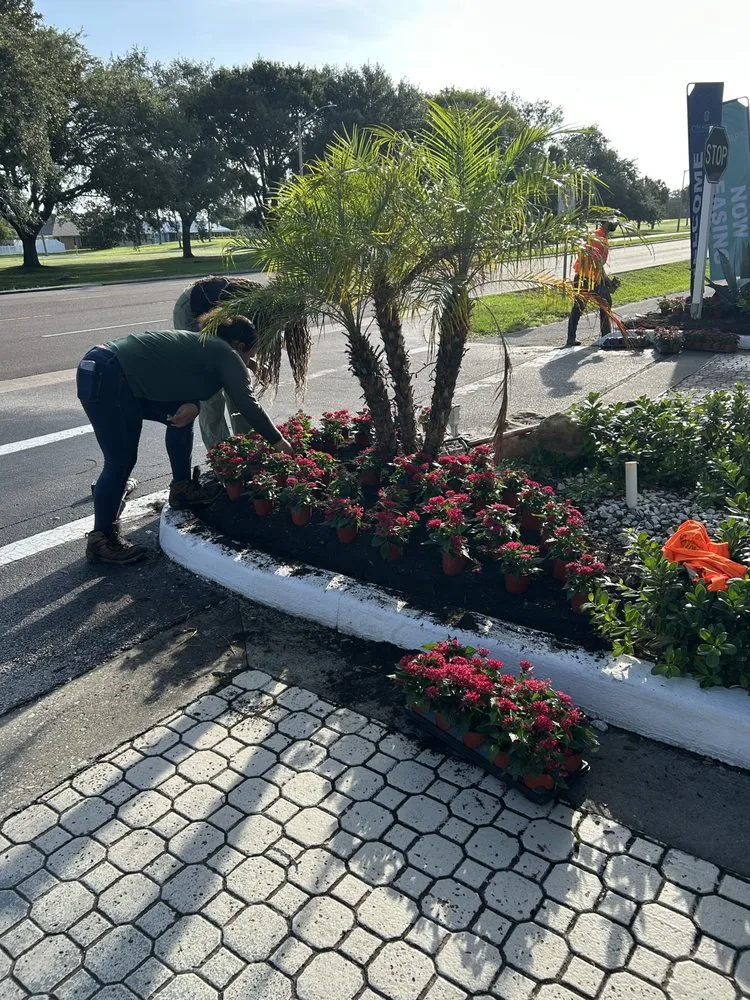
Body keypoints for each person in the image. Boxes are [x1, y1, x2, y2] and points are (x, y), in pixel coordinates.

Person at [77, 315, 292, 565]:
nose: (248, 361)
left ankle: (182, 488)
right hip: (110, 374)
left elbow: (180, 382)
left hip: (102, 368)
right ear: (240, 345)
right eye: (250, 353)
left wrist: (198, 403)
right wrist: (278, 442)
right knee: (120, 461)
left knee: (182, 414)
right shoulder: (227, 354)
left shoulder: (205, 346)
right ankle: (101, 540)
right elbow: (247, 404)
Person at [173, 275, 260, 448]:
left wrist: (248, 362)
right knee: (211, 393)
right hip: (193, 311)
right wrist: (247, 363)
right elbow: (228, 345)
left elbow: (241, 346)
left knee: (240, 385)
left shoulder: (265, 317)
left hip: (222, 316)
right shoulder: (256, 307)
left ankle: (249, 447)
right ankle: (221, 453)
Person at [564, 219, 618, 348]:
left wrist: (605, 280)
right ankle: (605, 337)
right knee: (587, 305)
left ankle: (604, 336)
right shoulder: (597, 238)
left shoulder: (601, 236)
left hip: (591, 277)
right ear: (605, 223)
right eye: (613, 221)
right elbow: (597, 262)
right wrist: (606, 280)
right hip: (586, 278)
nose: (615, 224)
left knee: (603, 303)